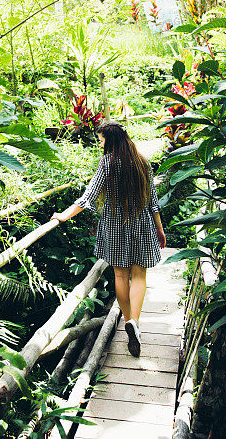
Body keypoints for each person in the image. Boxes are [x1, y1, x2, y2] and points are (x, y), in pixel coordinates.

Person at [50, 120, 166, 358]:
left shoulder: (107, 162)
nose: (100, 144)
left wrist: (63, 216)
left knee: (121, 275)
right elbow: (153, 200)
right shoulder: (142, 162)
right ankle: (135, 320)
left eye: (101, 139)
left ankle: (128, 322)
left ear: (109, 140)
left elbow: (88, 197)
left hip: (115, 225)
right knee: (140, 275)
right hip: (142, 223)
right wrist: (160, 228)